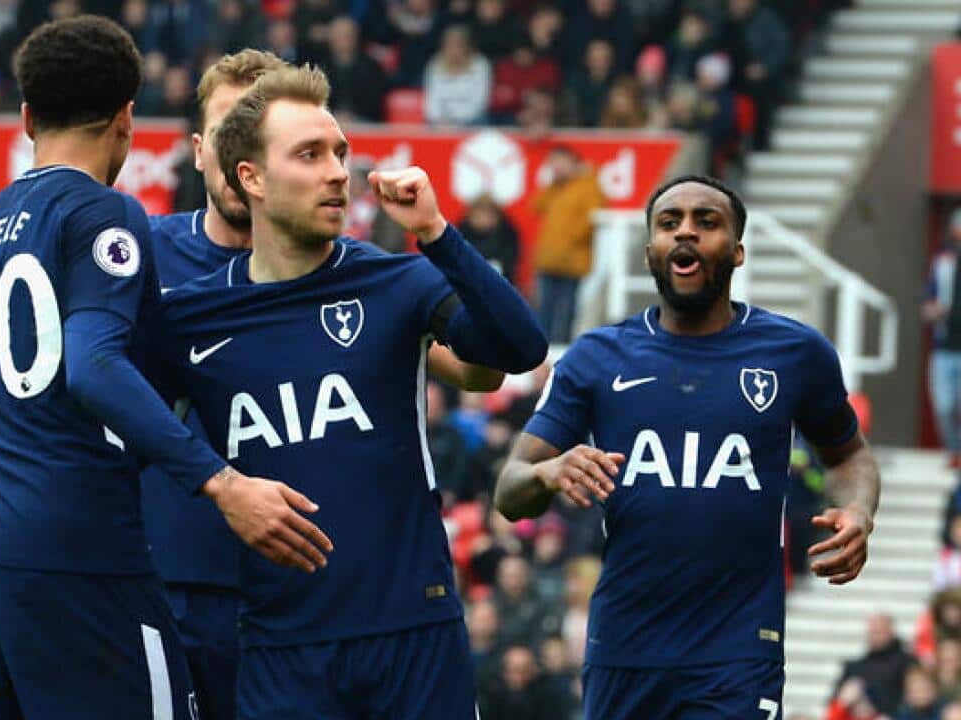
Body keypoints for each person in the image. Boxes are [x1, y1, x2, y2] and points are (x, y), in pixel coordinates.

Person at [0, 48, 503, 720]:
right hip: (172, 587)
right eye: (228, 129)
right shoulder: (133, 253)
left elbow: (475, 367)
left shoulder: (353, 275)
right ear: (206, 152)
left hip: (302, 607)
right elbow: (37, 383)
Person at [0, 17, 329, 720]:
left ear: (26, 118)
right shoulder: (106, 213)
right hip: (79, 551)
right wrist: (223, 484)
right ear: (125, 119)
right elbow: (90, 366)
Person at [149, 64, 546, 719]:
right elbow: (107, 429)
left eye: (341, 153)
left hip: (414, 637)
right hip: (278, 648)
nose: (337, 171)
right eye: (310, 155)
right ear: (250, 177)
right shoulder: (190, 316)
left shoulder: (397, 283)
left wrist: (439, 235)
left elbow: (518, 348)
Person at [495, 175, 881, 718]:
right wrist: (545, 472)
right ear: (650, 248)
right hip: (624, 649)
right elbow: (509, 489)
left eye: (707, 221)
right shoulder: (596, 358)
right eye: (669, 222)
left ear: (738, 250)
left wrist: (858, 510)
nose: (686, 233)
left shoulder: (795, 353)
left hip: (738, 652)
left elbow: (849, 455)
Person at [530, 145, 605, 343]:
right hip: (548, 259)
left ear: (574, 163)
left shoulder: (588, 185)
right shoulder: (555, 188)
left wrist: (571, 240)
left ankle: (560, 349)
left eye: (560, 162)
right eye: (552, 163)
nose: (556, 167)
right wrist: (551, 184)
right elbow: (536, 206)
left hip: (572, 260)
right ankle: (540, 348)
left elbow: (592, 218)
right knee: (544, 309)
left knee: (565, 311)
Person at [925, 208, 961, 468]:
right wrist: (933, 309)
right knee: (944, 406)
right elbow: (926, 305)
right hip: (944, 346)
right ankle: (954, 449)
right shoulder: (943, 263)